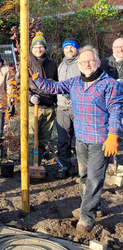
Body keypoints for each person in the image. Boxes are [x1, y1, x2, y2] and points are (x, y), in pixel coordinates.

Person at [29, 45, 123, 233]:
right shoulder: (74, 83)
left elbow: (116, 110)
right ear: (78, 65)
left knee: (95, 179)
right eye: (83, 62)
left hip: (100, 140)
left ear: (97, 62)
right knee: (84, 176)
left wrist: (113, 134)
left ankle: (87, 216)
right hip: (81, 138)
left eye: (90, 61)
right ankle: (89, 207)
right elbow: (52, 87)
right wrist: (34, 77)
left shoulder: (110, 84)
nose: (87, 64)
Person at [17, 31, 58, 166]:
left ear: (45, 48)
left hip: (49, 108)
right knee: (30, 139)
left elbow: (57, 84)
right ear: (31, 49)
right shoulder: (26, 63)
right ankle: (29, 167)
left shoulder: (52, 64)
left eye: (41, 47)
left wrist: (55, 102)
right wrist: (29, 96)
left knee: (43, 140)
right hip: (32, 107)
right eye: (35, 47)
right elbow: (18, 85)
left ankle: (37, 164)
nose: (38, 49)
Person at [55, 38, 81, 178]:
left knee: (80, 140)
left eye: (72, 47)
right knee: (63, 139)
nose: (69, 50)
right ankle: (63, 165)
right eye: (66, 48)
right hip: (62, 107)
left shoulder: (81, 64)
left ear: (77, 49)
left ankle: (82, 168)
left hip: (78, 108)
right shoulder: (61, 65)